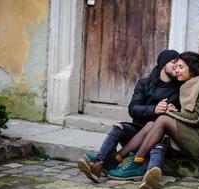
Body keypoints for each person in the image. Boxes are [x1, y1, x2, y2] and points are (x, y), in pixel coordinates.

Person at [107, 51, 199, 189]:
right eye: (176, 67)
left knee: (163, 119)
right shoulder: (188, 84)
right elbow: (189, 115)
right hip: (196, 134)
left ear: (192, 68)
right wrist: (175, 111)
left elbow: (196, 118)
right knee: (152, 124)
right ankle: (116, 159)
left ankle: (137, 163)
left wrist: (170, 113)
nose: (177, 70)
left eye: (181, 67)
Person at [77, 50, 182, 182]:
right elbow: (133, 109)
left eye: (179, 64)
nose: (177, 66)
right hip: (136, 134)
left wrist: (175, 111)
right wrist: (153, 109)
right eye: (174, 62)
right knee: (119, 127)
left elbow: (182, 115)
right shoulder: (144, 83)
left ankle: (149, 176)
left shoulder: (180, 88)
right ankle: (100, 162)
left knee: (158, 144)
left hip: (158, 137)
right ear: (163, 64)